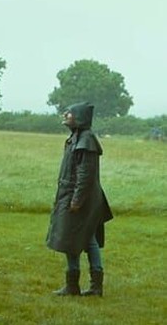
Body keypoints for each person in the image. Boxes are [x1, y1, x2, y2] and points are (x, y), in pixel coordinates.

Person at [46, 102, 114, 296]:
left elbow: (85, 175)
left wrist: (76, 200)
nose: (66, 115)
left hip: (81, 199)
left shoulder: (86, 140)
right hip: (71, 195)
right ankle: (74, 286)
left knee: (86, 240)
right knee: (73, 237)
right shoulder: (76, 138)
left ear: (80, 118)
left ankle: (94, 286)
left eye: (71, 113)